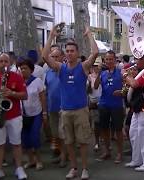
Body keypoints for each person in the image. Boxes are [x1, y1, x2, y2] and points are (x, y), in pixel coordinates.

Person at [42, 24, 98, 179]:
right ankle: (74, 168)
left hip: (80, 110)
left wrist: (89, 35)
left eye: (72, 51)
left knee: (82, 142)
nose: (69, 53)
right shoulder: (60, 67)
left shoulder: (83, 66)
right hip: (65, 110)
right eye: (67, 51)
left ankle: (84, 168)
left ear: (77, 52)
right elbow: (45, 56)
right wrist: (51, 35)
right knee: (68, 142)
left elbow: (95, 52)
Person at [0, 53, 28, 180]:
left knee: (16, 143)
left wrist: (12, 93)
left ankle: (19, 168)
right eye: (1, 61)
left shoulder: (17, 77)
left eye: (6, 61)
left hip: (14, 115)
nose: (4, 64)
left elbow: (25, 96)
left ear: (10, 63)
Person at [124, 50, 144, 171]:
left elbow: (135, 84)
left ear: (143, 59)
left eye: (137, 59)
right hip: (137, 107)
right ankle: (136, 159)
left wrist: (127, 76)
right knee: (133, 134)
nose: (135, 62)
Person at [94, 51, 125, 163]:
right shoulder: (103, 73)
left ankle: (120, 153)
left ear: (115, 60)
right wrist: (98, 73)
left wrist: (121, 92)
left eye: (110, 59)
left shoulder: (121, 72)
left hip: (116, 105)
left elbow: (127, 88)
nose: (108, 61)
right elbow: (95, 86)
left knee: (118, 130)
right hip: (104, 104)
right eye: (106, 59)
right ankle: (107, 151)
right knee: (104, 129)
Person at [18, 59, 46, 171]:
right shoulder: (18, 81)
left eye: (25, 68)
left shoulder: (37, 81)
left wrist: (44, 112)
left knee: (35, 137)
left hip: (36, 113)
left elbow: (42, 97)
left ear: (31, 70)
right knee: (25, 139)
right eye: (21, 68)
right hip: (23, 114)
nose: (23, 70)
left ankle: (39, 160)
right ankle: (31, 160)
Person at [44, 48, 67, 167]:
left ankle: (64, 157)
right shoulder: (47, 72)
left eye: (57, 57)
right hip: (52, 108)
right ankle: (61, 154)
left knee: (63, 134)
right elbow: (47, 90)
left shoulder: (66, 70)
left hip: (64, 108)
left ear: (63, 57)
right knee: (55, 134)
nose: (54, 59)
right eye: (52, 57)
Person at [87, 57, 102, 152]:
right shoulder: (89, 76)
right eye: (94, 65)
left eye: (97, 66)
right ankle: (97, 142)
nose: (95, 67)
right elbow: (88, 91)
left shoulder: (103, 75)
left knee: (103, 123)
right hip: (93, 102)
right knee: (96, 123)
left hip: (103, 101)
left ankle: (102, 139)